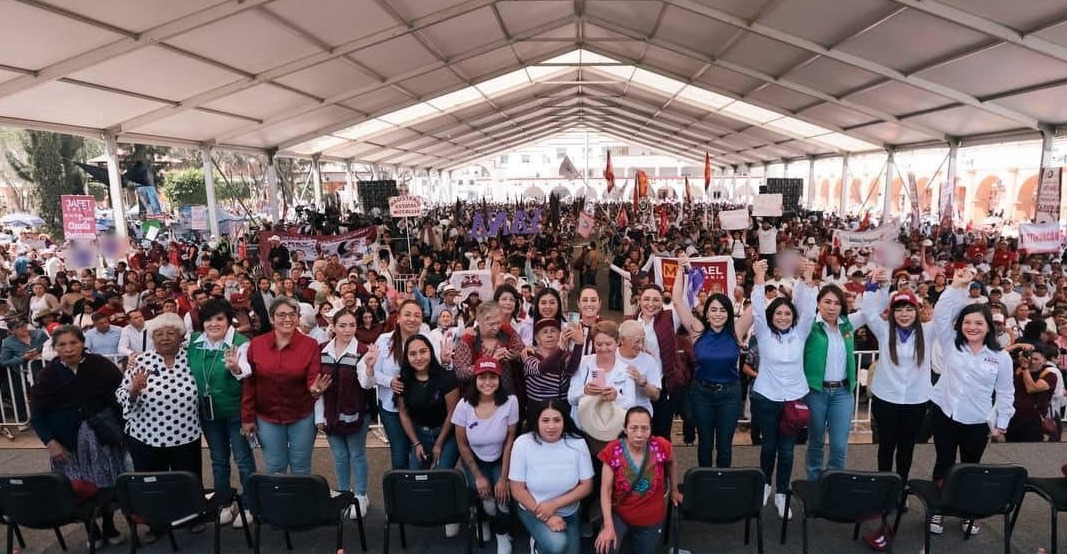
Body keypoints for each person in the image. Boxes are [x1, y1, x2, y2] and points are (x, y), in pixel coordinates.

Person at [927, 267, 1015, 536]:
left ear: (988, 326)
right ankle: (938, 510)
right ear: (960, 325)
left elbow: (1005, 392)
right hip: (945, 413)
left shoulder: (1001, 358)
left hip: (977, 420)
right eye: (967, 323)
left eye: (978, 323)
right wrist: (957, 287)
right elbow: (942, 315)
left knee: (970, 466)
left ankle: (968, 513)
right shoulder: (950, 343)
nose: (972, 328)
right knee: (943, 461)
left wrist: (1002, 423)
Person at [29, 325, 126, 548]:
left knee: (107, 484)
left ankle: (110, 525)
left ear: (83, 344)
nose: (69, 349)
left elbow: (119, 398)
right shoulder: (48, 375)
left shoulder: (100, 365)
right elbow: (37, 416)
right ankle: (91, 529)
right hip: (67, 444)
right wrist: (50, 443)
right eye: (62, 345)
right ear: (54, 348)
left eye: (74, 343)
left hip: (101, 439)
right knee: (79, 487)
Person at [115, 313, 204, 538]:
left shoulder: (192, 358)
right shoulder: (141, 360)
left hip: (185, 434)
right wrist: (134, 390)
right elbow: (121, 394)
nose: (164, 338)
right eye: (158, 334)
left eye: (170, 333)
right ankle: (156, 524)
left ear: (181, 337)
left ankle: (192, 517)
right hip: (146, 435)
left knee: (187, 478)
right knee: (152, 481)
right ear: (152, 338)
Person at [749, 258, 817, 520]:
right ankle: (765, 485)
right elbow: (756, 310)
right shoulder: (764, 334)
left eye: (787, 313)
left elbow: (809, 311)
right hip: (767, 397)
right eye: (778, 313)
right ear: (771, 316)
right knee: (769, 447)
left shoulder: (800, 333)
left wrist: (807, 280)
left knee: (787, 450)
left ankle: (781, 494)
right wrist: (758, 279)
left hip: (793, 400)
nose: (783, 316)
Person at [672, 254, 753, 467]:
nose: (717, 314)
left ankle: (722, 488)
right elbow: (677, 301)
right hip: (702, 394)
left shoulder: (737, 331)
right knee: (705, 444)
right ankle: (706, 485)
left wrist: (760, 278)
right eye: (713, 310)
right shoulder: (697, 331)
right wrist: (681, 270)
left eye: (722, 310)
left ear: (729, 313)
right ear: (706, 313)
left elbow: (757, 307)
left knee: (725, 446)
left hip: (729, 395)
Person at [187, 298, 255, 528]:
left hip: (235, 410)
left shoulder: (240, 342)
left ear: (228, 320)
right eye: (208, 319)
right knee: (218, 461)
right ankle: (225, 503)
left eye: (219, 319)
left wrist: (235, 368)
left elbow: (246, 372)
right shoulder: (194, 341)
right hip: (208, 412)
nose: (213, 324)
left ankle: (249, 505)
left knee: (243, 460)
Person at [240, 296, 325, 475]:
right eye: (281, 315)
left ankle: (299, 502)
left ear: (298, 318)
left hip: (301, 415)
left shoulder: (310, 345)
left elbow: (313, 376)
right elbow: (249, 382)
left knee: (301, 466)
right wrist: (247, 417)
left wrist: (315, 388)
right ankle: (278, 503)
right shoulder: (257, 344)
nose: (287, 319)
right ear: (271, 319)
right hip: (267, 416)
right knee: (274, 466)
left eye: (292, 315)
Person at [452, 357, 520, 554]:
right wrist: (478, 476)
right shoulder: (464, 405)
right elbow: (462, 444)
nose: (487, 382)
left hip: (500, 455)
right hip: (474, 458)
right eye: (482, 377)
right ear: (475, 379)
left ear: (500, 379)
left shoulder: (510, 402)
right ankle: (484, 520)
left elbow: (509, 440)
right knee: (483, 492)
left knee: (502, 496)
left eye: (493, 377)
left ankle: (502, 533)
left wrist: (504, 477)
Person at [397, 333, 462, 536]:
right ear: (407, 357)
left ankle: (452, 514)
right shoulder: (403, 380)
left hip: (446, 433)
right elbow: (404, 413)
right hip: (419, 434)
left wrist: (439, 443)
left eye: (423, 351)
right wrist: (416, 444)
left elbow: (452, 413)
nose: (419, 357)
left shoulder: (446, 377)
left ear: (430, 352)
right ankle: (430, 509)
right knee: (417, 477)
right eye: (413, 353)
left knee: (442, 473)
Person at [510, 399, 594, 554]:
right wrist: (546, 516)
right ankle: (538, 546)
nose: (551, 426)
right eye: (545, 420)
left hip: (569, 511)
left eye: (557, 420)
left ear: (564, 421)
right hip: (533, 508)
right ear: (537, 421)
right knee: (557, 545)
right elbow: (517, 489)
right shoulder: (522, 444)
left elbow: (587, 485)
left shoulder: (578, 443)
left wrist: (553, 505)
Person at [594, 407, 681, 554]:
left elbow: (672, 462)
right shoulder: (613, 450)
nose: (639, 434)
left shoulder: (660, 446)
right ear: (625, 429)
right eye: (634, 428)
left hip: (651, 519)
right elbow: (605, 490)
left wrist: (674, 490)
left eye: (644, 429)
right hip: (620, 515)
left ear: (650, 429)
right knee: (605, 548)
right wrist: (608, 527)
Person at [803, 282, 866, 481]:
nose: (831, 307)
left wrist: (878, 284)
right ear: (818, 303)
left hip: (842, 393)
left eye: (836, 303)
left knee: (839, 445)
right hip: (816, 393)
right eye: (827, 302)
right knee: (816, 442)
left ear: (842, 306)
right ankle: (814, 481)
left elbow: (870, 311)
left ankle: (835, 482)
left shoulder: (847, 325)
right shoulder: (809, 326)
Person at [358, 300, 431, 470]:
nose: (412, 319)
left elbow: (436, 370)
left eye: (417, 315)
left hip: (421, 407)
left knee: (420, 454)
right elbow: (371, 373)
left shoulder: (427, 340)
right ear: (398, 318)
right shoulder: (384, 340)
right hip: (392, 409)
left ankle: (420, 492)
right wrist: (389, 381)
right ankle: (400, 491)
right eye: (407, 314)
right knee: (399, 455)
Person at [315, 308, 373, 520]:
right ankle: (343, 493)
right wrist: (319, 417)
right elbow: (318, 385)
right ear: (334, 327)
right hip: (330, 413)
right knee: (339, 457)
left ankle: (360, 495)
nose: (347, 330)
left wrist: (368, 368)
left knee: (356, 455)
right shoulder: (322, 350)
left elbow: (366, 385)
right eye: (342, 325)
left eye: (351, 325)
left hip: (356, 413)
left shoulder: (363, 350)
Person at [1005, 343, 1058, 442]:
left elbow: (1032, 388)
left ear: (1044, 361)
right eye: (1031, 358)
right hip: (1013, 418)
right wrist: (1017, 346)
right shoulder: (1018, 369)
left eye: (1036, 359)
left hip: (1034, 422)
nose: (1032, 362)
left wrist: (1025, 368)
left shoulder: (1049, 375)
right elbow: (1000, 355)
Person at [1, 317, 48, 422]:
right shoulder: (8, 342)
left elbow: (51, 347)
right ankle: (23, 418)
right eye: (17, 327)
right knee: (16, 390)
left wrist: (42, 354)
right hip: (21, 372)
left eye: (23, 325)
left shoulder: (39, 334)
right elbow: (4, 361)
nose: (22, 328)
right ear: (12, 331)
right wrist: (23, 358)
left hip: (43, 369)